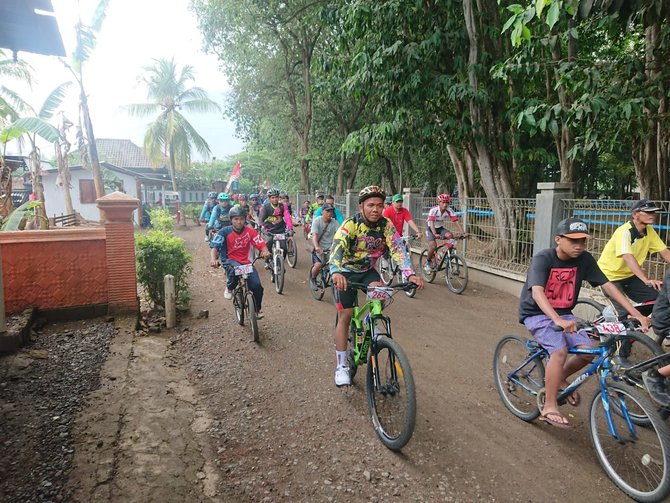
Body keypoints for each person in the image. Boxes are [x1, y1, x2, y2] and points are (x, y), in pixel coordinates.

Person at [519, 217, 649, 428]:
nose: (579, 246)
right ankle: (549, 406)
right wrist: (557, 319)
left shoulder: (585, 260)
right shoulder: (543, 258)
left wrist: (635, 313)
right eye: (573, 241)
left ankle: (559, 378)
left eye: (583, 241)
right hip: (537, 313)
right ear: (558, 240)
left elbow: (608, 286)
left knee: (589, 352)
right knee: (559, 350)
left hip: (565, 314)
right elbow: (537, 292)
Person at [329, 185, 424, 387]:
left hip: (367, 272)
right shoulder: (350, 224)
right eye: (371, 205)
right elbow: (337, 248)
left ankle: (371, 324)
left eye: (379, 206)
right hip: (345, 273)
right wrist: (336, 271)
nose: (375, 210)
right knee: (345, 316)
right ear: (361, 206)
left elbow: (398, 250)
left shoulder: (386, 225)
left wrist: (410, 274)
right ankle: (341, 366)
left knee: (379, 293)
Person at [597, 199, 670, 318]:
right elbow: (628, 257)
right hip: (608, 277)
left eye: (653, 213)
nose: (652, 215)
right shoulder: (624, 232)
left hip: (629, 276)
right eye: (648, 212)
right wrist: (646, 280)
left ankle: (630, 324)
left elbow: (665, 253)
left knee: (655, 301)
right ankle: (610, 321)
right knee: (623, 313)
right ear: (635, 214)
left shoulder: (649, 231)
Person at [210, 206, 271, 319]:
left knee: (257, 286)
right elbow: (214, 246)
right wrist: (213, 259)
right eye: (236, 219)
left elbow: (260, 243)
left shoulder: (250, 231)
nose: (239, 222)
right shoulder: (224, 232)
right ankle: (229, 288)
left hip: (246, 262)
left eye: (241, 219)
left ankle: (257, 310)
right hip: (229, 260)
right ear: (231, 219)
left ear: (245, 219)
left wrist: (265, 251)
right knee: (234, 272)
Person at [424, 193, 467, 272]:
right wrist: (434, 234)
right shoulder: (433, 210)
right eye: (443, 202)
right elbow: (431, 223)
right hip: (430, 228)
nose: (445, 204)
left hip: (440, 228)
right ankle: (428, 261)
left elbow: (456, 221)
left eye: (447, 202)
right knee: (433, 246)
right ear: (439, 202)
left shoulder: (449, 210)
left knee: (450, 236)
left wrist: (463, 233)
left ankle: (444, 254)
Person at [258, 188, 294, 272]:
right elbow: (261, 219)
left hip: (280, 230)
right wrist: (262, 229)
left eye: (276, 197)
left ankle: (280, 263)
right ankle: (267, 261)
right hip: (269, 230)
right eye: (272, 197)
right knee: (268, 244)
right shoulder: (265, 207)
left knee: (284, 248)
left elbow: (287, 217)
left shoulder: (283, 206)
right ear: (269, 198)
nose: (275, 199)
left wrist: (290, 228)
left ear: (279, 198)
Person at [309, 203, 338, 291]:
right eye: (327, 211)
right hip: (318, 249)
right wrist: (317, 247)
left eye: (331, 211)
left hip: (330, 249)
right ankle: (313, 279)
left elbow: (339, 235)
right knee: (318, 265)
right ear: (322, 212)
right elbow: (314, 236)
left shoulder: (334, 222)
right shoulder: (317, 221)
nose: (330, 213)